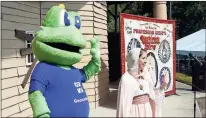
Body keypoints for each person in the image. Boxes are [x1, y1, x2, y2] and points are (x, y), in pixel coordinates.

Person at [116, 47, 166, 117]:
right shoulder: (126, 79)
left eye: (146, 58)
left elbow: (152, 93)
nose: (146, 61)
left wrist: (161, 88)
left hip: (147, 111)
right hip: (135, 112)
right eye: (143, 58)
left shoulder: (146, 74)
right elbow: (123, 105)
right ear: (136, 60)